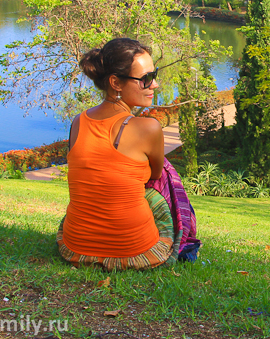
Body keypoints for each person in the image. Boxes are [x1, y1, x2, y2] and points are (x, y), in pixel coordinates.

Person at [56, 38, 200, 271]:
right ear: (115, 82)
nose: (155, 84)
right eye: (146, 79)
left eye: (154, 75)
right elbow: (153, 176)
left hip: (75, 248)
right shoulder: (148, 128)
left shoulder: (78, 122)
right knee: (163, 175)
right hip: (136, 252)